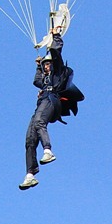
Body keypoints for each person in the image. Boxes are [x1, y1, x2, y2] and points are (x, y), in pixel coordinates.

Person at [19, 27, 70, 190]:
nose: (46, 66)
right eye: (44, 64)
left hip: (52, 100)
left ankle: (48, 150)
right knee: (30, 138)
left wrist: (56, 35)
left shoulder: (57, 74)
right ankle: (30, 174)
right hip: (42, 103)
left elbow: (56, 52)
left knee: (39, 122)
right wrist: (38, 67)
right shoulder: (44, 80)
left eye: (48, 64)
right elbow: (36, 81)